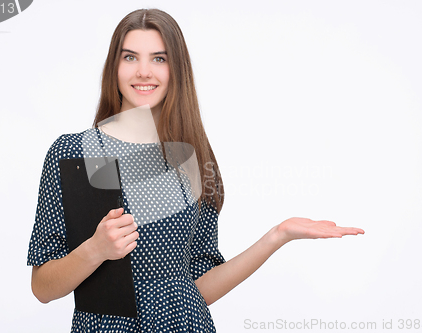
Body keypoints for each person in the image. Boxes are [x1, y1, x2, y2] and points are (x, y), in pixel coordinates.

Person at [27, 8, 364, 333]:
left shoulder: (192, 159)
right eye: (130, 57)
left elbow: (199, 288)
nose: (144, 71)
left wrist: (277, 236)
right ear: (113, 67)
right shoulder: (74, 153)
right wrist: (95, 249)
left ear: (177, 69)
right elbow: (43, 287)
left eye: (159, 59)